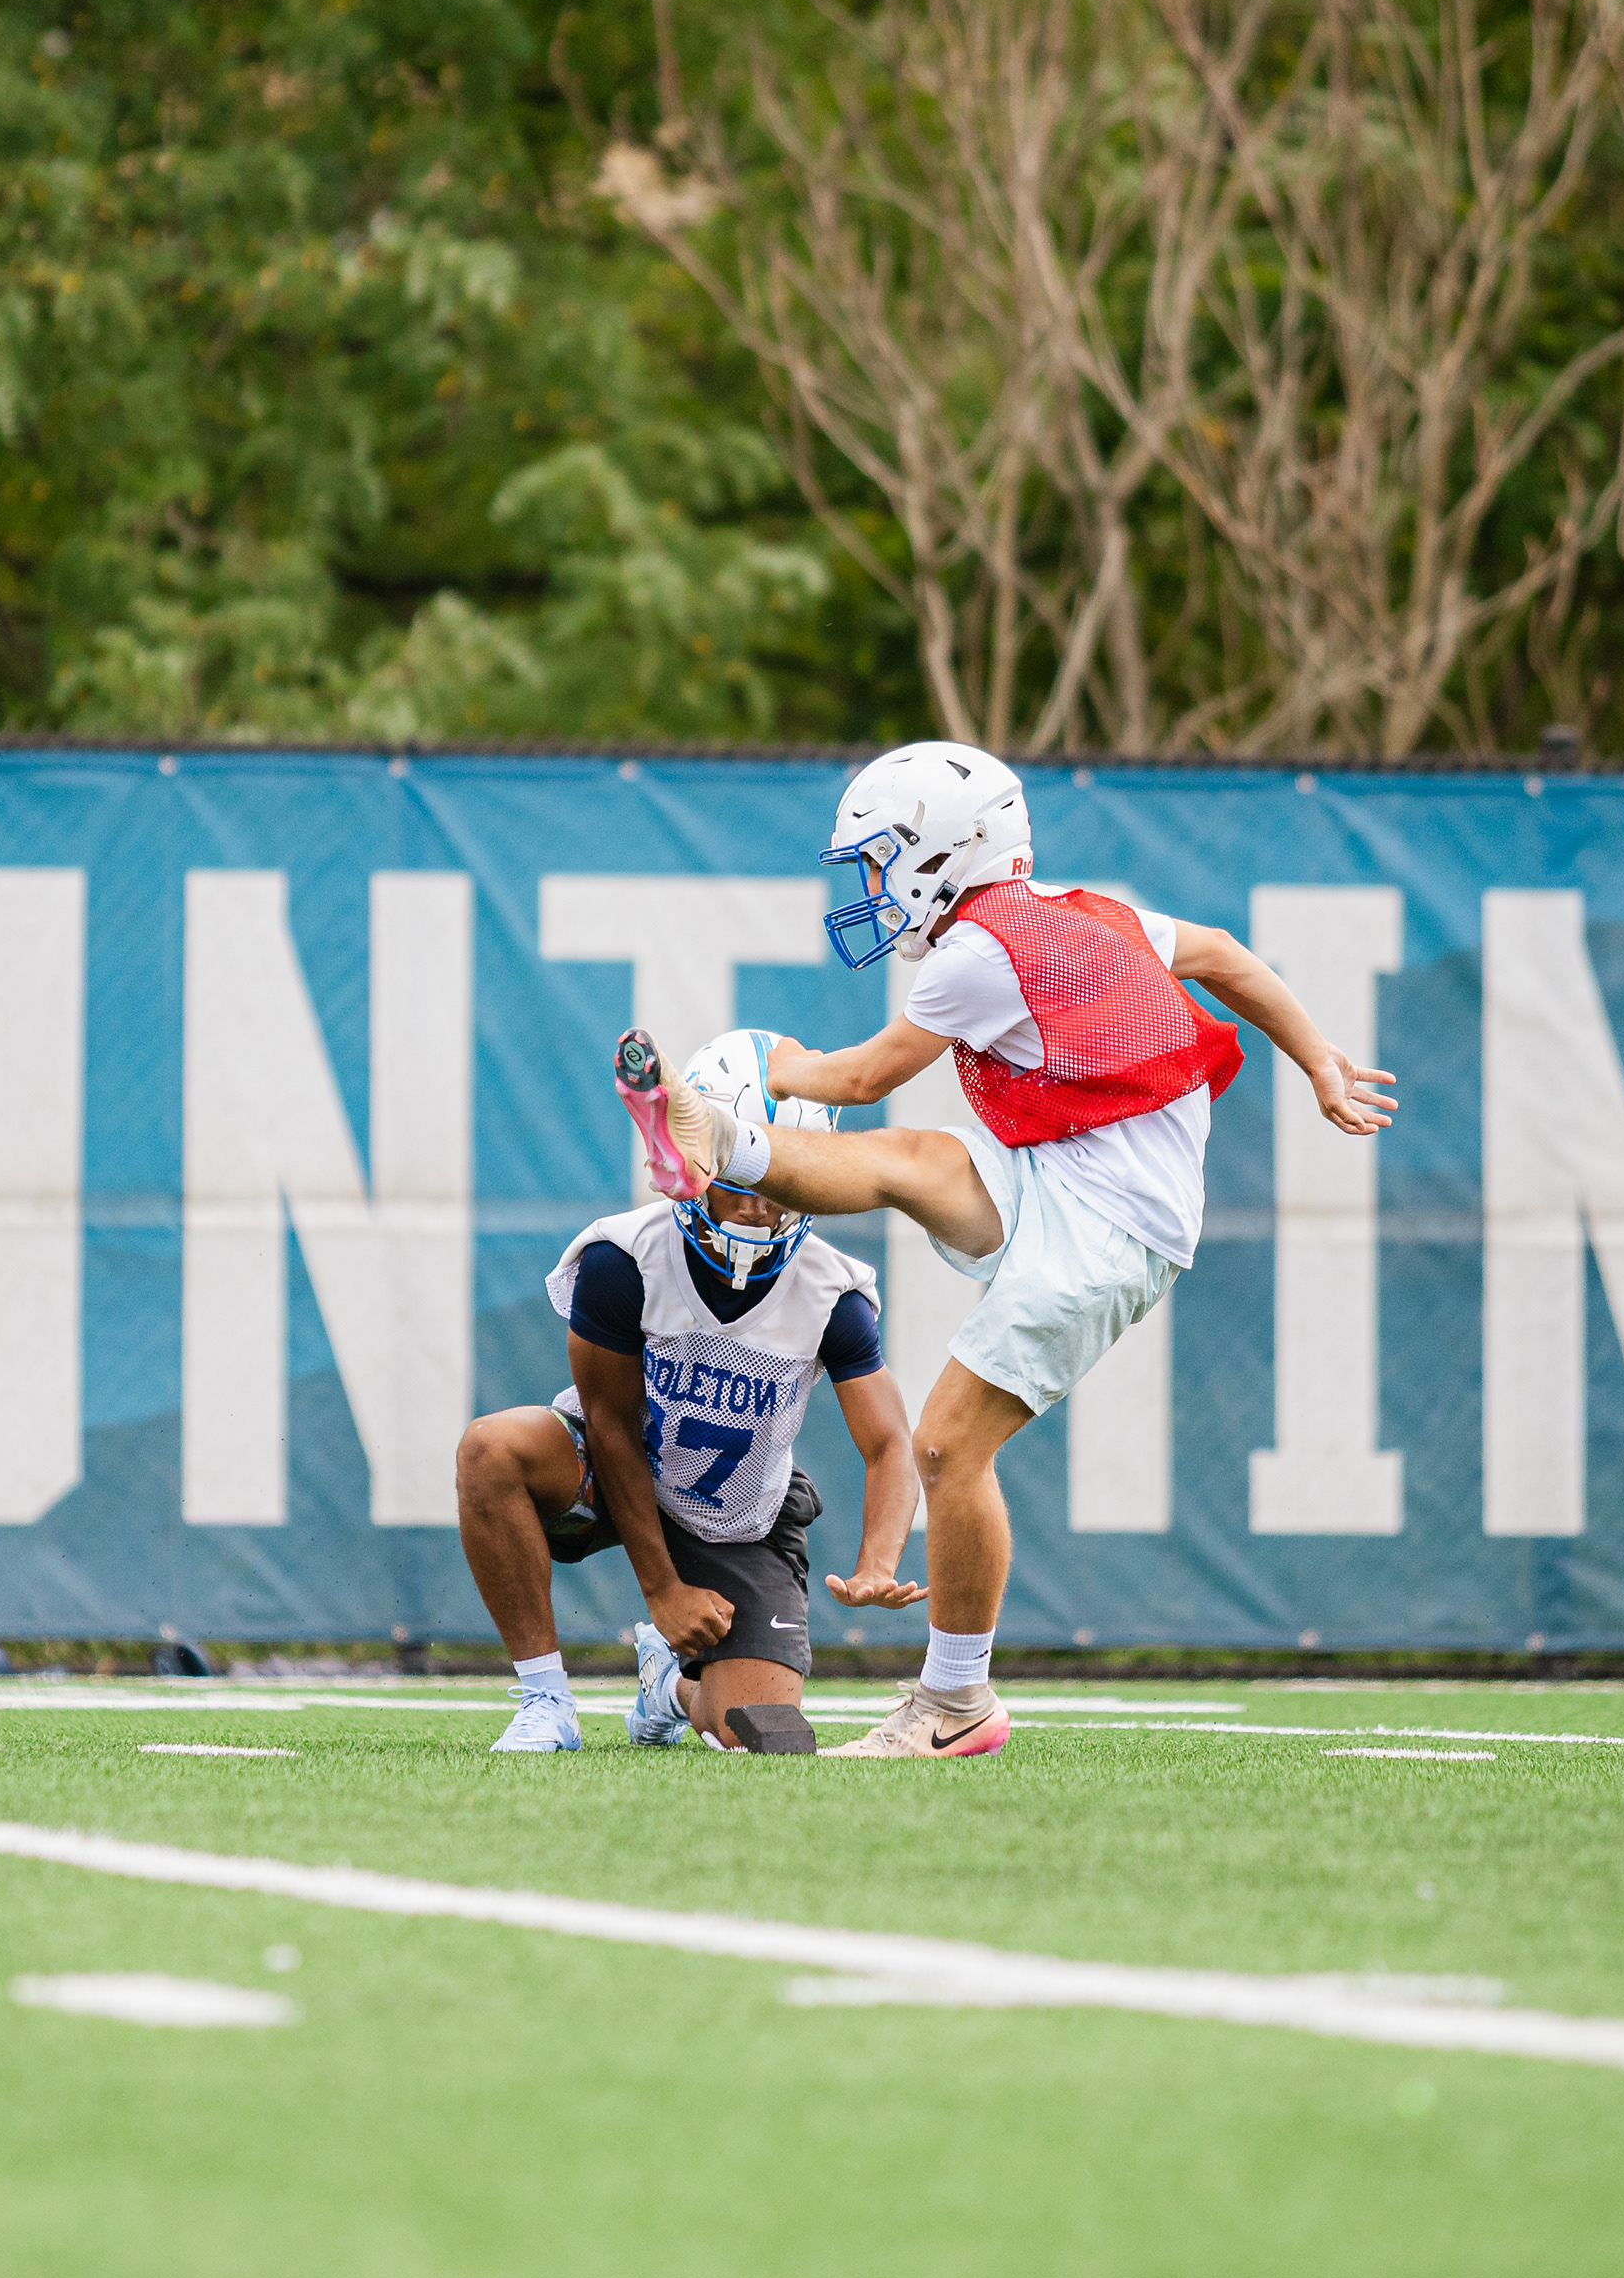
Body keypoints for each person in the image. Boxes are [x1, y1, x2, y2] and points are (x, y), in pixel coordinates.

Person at [614, 743, 1398, 1759]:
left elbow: (859, 1079)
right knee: (907, 1161)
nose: (870, 885)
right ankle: (714, 1141)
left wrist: (781, 1064)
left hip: (1113, 1220)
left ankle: (956, 1703)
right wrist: (1319, 1058)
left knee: (948, 1444)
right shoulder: (1084, 910)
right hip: (1070, 1170)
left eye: (879, 859)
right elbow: (1222, 954)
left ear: (939, 852)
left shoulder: (978, 955)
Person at [457, 1027, 922, 1751]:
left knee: (758, 1731)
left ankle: (666, 1689)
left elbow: (890, 1442)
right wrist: (663, 1591)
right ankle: (546, 1699)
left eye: (777, 1182)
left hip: (737, 1512)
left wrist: (878, 1562)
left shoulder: (832, 1292)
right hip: (613, 1467)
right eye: (740, 1180)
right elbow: (611, 1423)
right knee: (490, 1449)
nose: (757, 1208)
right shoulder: (624, 1259)